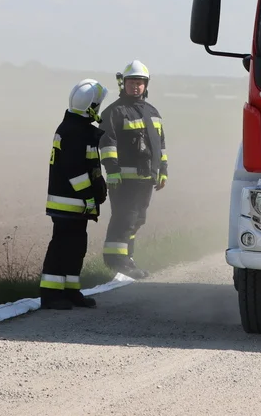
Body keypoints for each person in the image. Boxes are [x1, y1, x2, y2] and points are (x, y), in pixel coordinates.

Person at [39, 78, 109, 310]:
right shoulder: (73, 131)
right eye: (97, 105)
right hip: (69, 202)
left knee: (76, 246)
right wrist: (89, 197)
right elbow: (75, 171)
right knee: (62, 245)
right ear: (90, 107)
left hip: (76, 203)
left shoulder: (77, 128)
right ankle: (51, 295)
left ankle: (70, 291)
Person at [98, 59, 168, 279]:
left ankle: (126, 257)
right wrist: (113, 170)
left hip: (147, 178)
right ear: (123, 83)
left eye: (140, 82)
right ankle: (116, 261)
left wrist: (163, 170)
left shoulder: (152, 112)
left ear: (146, 85)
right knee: (125, 218)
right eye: (132, 82)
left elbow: (160, 145)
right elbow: (107, 143)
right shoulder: (114, 112)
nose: (136, 86)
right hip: (124, 178)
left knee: (138, 219)